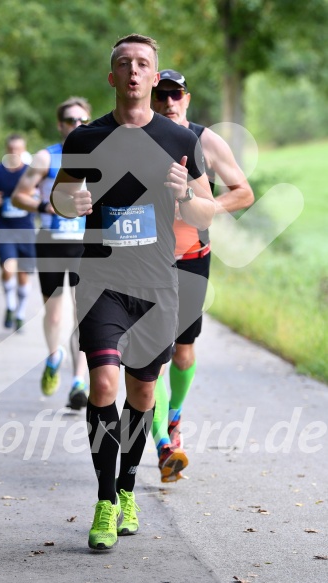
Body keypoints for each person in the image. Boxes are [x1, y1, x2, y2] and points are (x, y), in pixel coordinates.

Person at [50, 34, 215, 551]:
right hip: (101, 279)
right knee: (103, 386)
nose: (135, 71)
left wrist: (185, 193)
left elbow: (207, 212)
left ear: (154, 73)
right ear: (112, 77)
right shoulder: (86, 138)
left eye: (143, 63)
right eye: (125, 63)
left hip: (157, 283)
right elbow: (60, 192)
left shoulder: (180, 140)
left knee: (142, 394)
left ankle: (127, 488)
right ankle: (103, 501)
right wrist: (67, 202)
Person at [151, 69, 254, 482]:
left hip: (193, 255)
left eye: (175, 95)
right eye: (161, 96)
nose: (169, 102)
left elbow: (243, 192)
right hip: (147, 261)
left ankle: (173, 417)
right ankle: (164, 446)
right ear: (150, 100)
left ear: (187, 99)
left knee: (182, 352)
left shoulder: (204, 140)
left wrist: (202, 206)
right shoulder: (136, 137)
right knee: (151, 359)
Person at [11, 98, 91, 404]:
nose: (76, 126)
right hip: (51, 242)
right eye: (70, 121)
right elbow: (19, 196)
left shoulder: (98, 156)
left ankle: (78, 383)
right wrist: (45, 205)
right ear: (60, 125)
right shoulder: (46, 158)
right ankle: (54, 355)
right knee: (56, 316)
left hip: (86, 244)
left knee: (85, 316)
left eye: (83, 120)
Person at [0, 134, 36, 333]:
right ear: (7, 149)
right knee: (7, 268)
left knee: (23, 274)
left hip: (26, 229)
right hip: (4, 226)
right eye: (11, 149)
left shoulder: (30, 172)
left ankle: (20, 314)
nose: (14, 152)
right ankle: (10, 306)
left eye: (18, 149)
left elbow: (41, 192)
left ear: (24, 150)